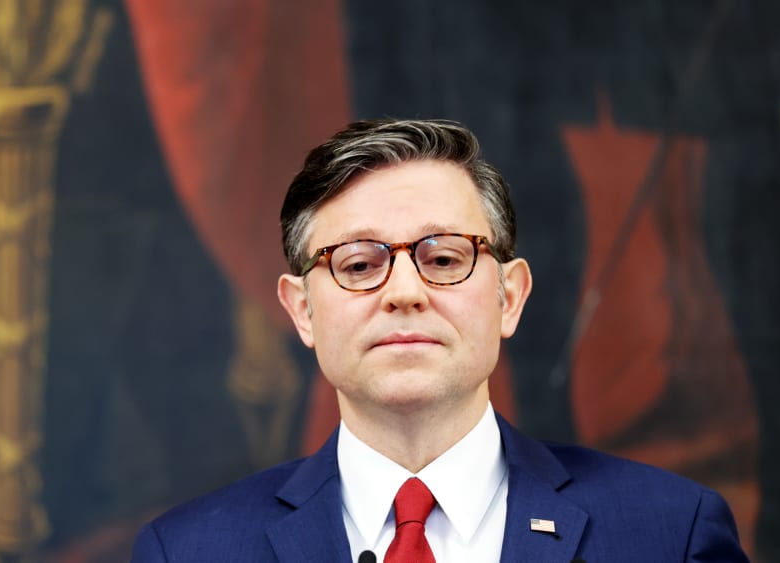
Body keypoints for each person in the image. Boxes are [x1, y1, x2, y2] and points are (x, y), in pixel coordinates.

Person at [130, 119, 748, 562]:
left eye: (445, 257)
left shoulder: (671, 534)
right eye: (358, 264)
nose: (404, 292)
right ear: (303, 311)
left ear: (509, 297)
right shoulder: (188, 550)